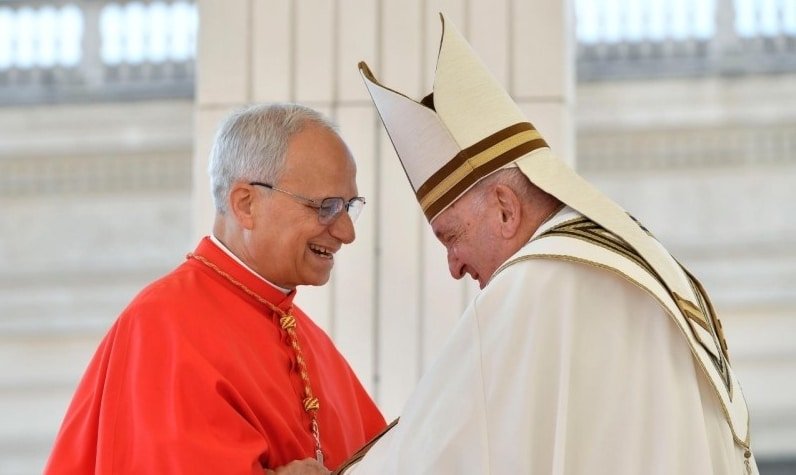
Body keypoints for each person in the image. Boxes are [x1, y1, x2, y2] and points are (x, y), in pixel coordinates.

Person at [337, 14, 759, 474]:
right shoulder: (646, 265)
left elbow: (438, 453)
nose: (453, 267)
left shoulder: (536, 285)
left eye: (451, 237)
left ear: (504, 207)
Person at [45, 103, 386, 474]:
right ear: (246, 205)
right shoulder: (164, 325)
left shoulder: (308, 337)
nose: (346, 232)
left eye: (349, 207)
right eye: (326, 207)